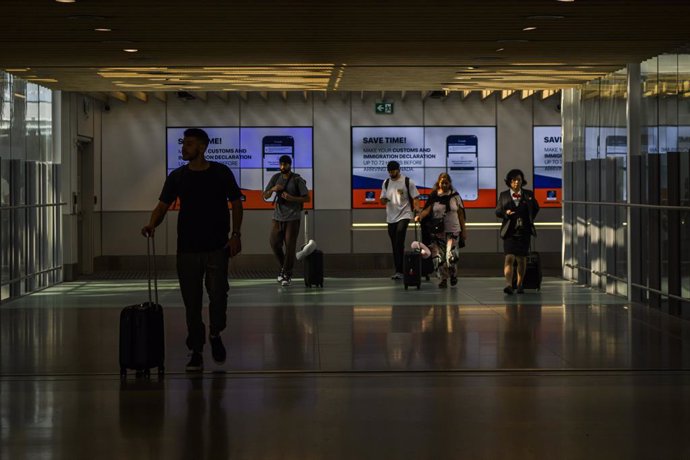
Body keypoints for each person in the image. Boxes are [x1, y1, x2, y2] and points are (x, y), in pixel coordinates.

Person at [141, 128, 243, 372]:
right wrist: (151, 223)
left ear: (202, 147)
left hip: (217, 247)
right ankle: (196, 349)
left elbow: (236, 203)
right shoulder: (178, 176)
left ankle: (215, 333)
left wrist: (235, 235)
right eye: (183, 144)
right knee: (192, 302)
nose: (183, 148)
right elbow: (162, 205)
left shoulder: (221, 172)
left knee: (218, 296)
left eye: (188, 144)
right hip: (187, 248)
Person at [263, 154, 310, 287]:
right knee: (274, 243)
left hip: (293, 217)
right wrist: (273, 189)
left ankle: (287, 274)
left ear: (290, 165)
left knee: (290, 246)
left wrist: (291, 198)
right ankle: (284, 267)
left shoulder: (297, 179)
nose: (283, 167)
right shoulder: (276, 178)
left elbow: (307, 199)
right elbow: (264, 196)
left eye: (285, 164)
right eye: (281, 164)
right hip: (277, 217)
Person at [415, 173, 466, 288]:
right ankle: (443, 278)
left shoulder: (455, 196)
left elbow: (461, 214)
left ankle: (453, 274)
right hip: (438, 231)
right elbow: (427, 210)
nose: (444, 184)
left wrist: (464, 230)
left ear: (450, 183)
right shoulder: (433, 196)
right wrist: (420, 216)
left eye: (446, 182)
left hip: (453, 230)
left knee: (451, 256)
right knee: (439, 257)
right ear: (438, 183)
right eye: (442, 182)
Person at [496, 168, 539, 295]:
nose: (516, 182)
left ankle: (520, 284)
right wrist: (506, 213)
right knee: (509, 257)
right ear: (509, 182)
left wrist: (529, 219)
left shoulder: (529, 194)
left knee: (521, 258)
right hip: (509, 231)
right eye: (513, 180)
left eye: (519, 180)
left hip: (524, 231)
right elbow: (498, 211)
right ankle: (509, 285)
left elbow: (536, 208)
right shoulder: (504, 195)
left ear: (522, 181)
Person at [380, 160, 420, 280]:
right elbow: (382, 200)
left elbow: (415, 197)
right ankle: (399, 270)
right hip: (391, 217)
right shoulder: (386, 183)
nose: (391, 173)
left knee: (399, 236)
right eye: (390, 171)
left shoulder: (408, 182)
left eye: (393, 171)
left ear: (398, 169)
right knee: (395, 243)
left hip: (405, 214)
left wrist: (417, 209)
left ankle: (401, 270)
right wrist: (385, 199)